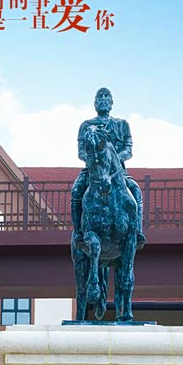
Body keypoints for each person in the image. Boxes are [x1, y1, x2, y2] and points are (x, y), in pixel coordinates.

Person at [71, 87, 146, 250]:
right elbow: (81, 151)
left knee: (136, 191)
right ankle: (78, 232)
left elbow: (128, 150)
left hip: (118, 172)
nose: (103, 99)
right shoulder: (86, 126)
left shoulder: (122, 124)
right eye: (100, 96)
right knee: (76, 191)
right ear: (95, 103)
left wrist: (113, 160)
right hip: (92, 171)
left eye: (107, 96)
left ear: (111, 103)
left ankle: (137, 231)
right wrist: (93, 160)